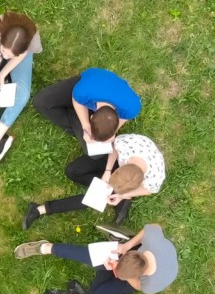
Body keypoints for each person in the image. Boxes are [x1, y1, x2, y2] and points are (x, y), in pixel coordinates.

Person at [29, 68, 141, 223]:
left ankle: (75, 123)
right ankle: (77, 121)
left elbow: (115, 127)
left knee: (96, 153)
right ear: (93, 115)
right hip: (84, 88)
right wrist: (85, 127)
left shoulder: (131, 107)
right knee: (41, 103)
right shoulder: (83, 92)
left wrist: (106, 136)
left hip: (99, 106)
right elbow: (77, 100)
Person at [23, 132, 165, 228]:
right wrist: (108, 171)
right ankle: (117, 199)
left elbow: (149, 190)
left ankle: (41, 209)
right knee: (72, 172)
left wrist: (122, 195)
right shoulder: (128, 144)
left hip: (125, 176)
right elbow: (114, 148)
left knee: (98, 197)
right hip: (114, 160)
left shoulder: (155, 176)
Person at [13, 223, 178, 294]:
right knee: (92, 256)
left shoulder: (150, 285)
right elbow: (154, 226)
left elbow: (136, 285)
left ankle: (106, 267)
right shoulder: (153, 240)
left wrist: (121, 274)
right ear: (135, 252)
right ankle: (47, 247)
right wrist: (126, 247)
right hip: (132, 253)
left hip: (133, 275)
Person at [0, 12, 42, 168]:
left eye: (10, 55)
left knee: (23, 95)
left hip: (18, 53)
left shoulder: (32, 41)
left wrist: (3, 73)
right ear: (1, 41)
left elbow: (22, 55)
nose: (6, 57)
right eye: (4, 51)